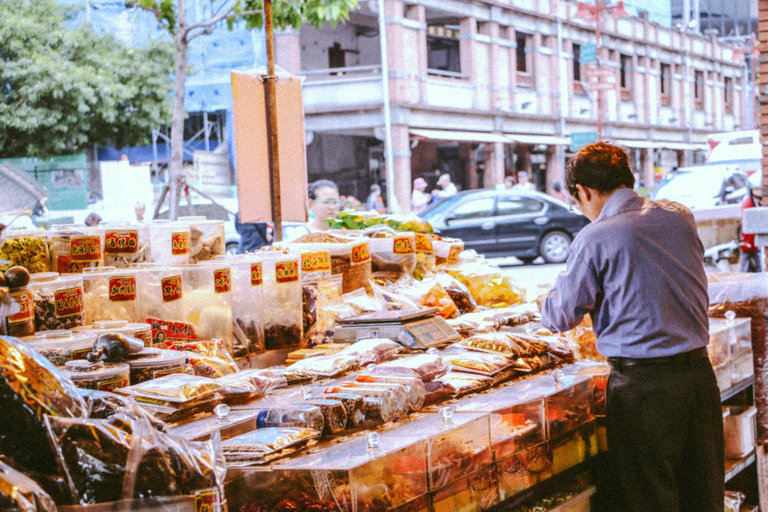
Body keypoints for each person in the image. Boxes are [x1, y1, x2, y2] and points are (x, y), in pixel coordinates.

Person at [539, 142, 723, 512]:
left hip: (644, 390)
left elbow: (559, 316)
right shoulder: (679, 216)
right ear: (628, 179)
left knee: (651, 498)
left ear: (584, 192)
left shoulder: (596, 236)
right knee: (702, 496)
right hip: (699, 378)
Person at [740, 177, 763, 272]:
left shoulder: (760, 201)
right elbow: (748, 223)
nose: (760, 192)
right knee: (746, 269)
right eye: (757, 189)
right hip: (749, 242)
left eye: (761, 189)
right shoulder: (748, 203)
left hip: (757, 243)